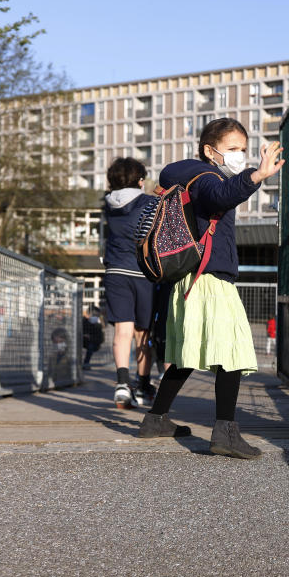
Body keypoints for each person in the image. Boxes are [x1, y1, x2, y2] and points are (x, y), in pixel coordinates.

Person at [138, 118, 284, 460]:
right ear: (210, 150)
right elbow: (222, 195)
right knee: (231, 350)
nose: (240, 155)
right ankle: (226, 433)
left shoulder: (188, 178)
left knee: (188, 354)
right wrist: (257, 175)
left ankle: (155, 420)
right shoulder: (207, 178)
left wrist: (248, 175)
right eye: (233, 149)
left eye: (244, 150)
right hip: (210, 279)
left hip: (189, 279)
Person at [102, 157, 157, 408]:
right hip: (142, 272)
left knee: (122, 330)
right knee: (142, 333)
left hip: (115, 271)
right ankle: (143, 385)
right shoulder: (149, 201)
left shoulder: (107, 204)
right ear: (140, 180)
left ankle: (122, 384)